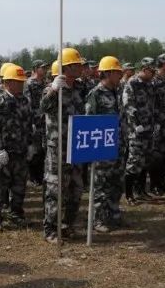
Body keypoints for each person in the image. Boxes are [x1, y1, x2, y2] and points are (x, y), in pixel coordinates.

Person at [41, 47, 85, 242]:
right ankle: (51, 229)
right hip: (58, 147)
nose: (80, 68)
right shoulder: (53, 88)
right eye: (76, 65)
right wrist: (53, 89)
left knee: (76, 188)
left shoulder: (79, 88)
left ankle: (67, 224)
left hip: (76, 146)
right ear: (66, 67)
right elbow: (43, 107)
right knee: (56, 189)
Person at [0, 63, 32, 232]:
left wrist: (30, 144)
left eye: (22, 82)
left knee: (19, 186)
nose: (21, 85)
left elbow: (27, 124)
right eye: (17, 82)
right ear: (8, 82)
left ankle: (16, 214)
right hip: (4, 152)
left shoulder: (24, 101)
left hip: (20, 151)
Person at [85, 57, 124, 231]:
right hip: (101, 146)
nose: (120, 76)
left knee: (116, 183)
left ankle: (114, 215)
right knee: (100, 185)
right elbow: (89, 122)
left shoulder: (117, 91)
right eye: (117, 73)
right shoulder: (96, 94)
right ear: (107, 73)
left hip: (117, 144)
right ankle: (98, 219)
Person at [122, 58, 154, 204]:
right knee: (134, 161)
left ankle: (140, 190)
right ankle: (129, 194)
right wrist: (136, 124)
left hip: (149, 128)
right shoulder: (132, 83)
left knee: (145, 161)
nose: (153, 74)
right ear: (145, 69)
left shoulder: (149, 84)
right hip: (136, 130)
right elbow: (128, 105)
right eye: (152, 71)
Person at [148, 54, 165, 195]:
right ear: (163, 64)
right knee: (156, 156)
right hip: (157, 124)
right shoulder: (154, 82)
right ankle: (154, 184)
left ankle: (162, 182)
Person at [24, 60, 49, 186]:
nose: (45, 70)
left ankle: (39, 176)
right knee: (33, 151)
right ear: (35, 69)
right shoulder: (28, 83)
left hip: (44, 120)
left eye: (46, 68)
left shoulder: (45, 83)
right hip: (34, 120)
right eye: (42, 68)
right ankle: (31, 176)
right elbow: (26, 103)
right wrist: (30, 121)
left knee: (42, 150)